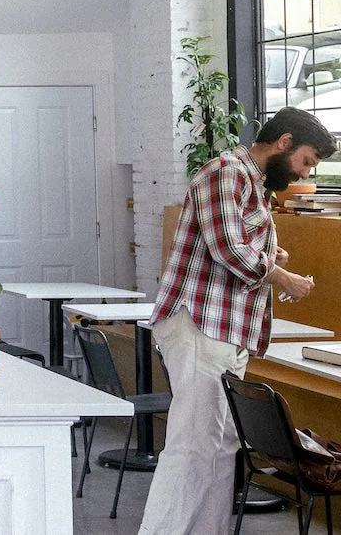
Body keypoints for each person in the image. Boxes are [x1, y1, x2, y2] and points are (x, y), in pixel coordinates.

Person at [138, 106, 335, 535]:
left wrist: (270, 257)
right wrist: (281, 275)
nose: (304, 173)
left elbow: (234, 249)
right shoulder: (224, 172)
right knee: (192, 448)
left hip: (224, 332)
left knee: (220, 447)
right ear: (284, 142)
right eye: (306, 161)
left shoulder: (253, 184)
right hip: (200, 327)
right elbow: (228, 248)